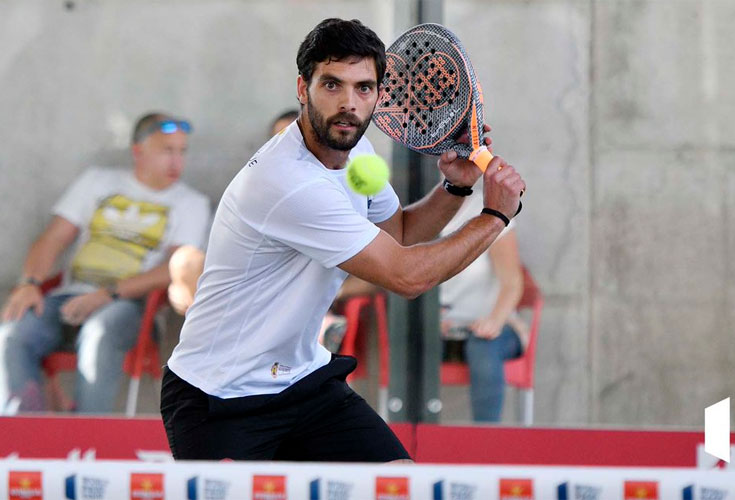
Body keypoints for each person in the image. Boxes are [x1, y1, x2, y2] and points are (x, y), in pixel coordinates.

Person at [160, 18, 525, 462]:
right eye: (332, 84)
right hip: (220, 396)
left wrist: (456, 189)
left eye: (364, 87)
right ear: (303, 87)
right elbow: (406, 277)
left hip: (302, 381)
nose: (348, 104)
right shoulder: (288, 183)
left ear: (379, 93)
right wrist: (495, 215)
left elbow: (399, 238)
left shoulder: (357, 153)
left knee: (401, 484)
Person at [0, 112, 211, 414]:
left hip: (131, 306)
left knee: (100, 333)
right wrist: (29, 283)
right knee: (11, 334)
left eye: (182, 151)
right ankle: (22, 433)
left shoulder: (191, 203)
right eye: (167, 150)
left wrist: (108, 294)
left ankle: (85, 440)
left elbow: (173, 269)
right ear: (138, 152)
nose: (177, 161)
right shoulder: (97, 182)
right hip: (67, 297)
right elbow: (53, 238)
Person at [166, 110, 300, 316]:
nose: (288, 146)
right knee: (186, 260)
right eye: (280, 139)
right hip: (244, 293)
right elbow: (216, 257)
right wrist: (180, 284)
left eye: (298, 138)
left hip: (298, 293)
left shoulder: (331, 191)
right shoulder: (248, 190)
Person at [439, 184, 527, 422]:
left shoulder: (486, 208)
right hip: (440, 330)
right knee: (411, 346)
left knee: (482, 346)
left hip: (488, 326)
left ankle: (485, 444)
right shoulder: (411, 209)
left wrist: (494, 321)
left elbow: (512, 282)